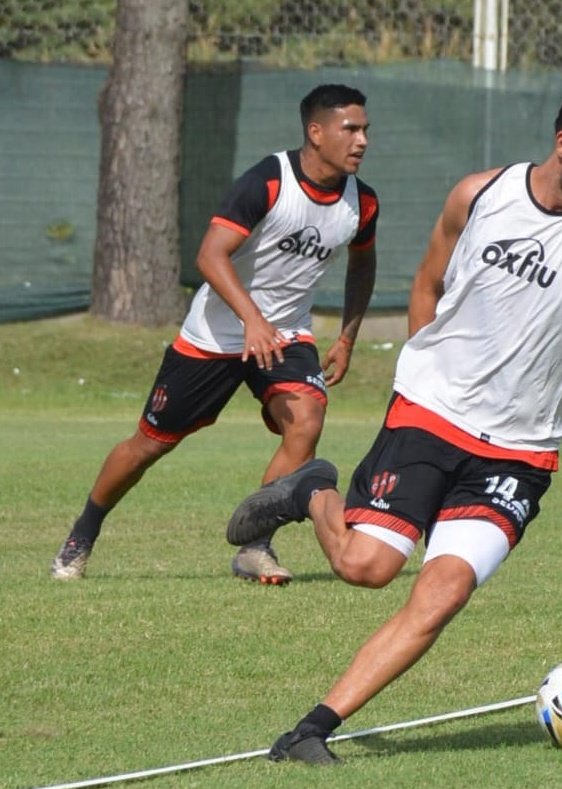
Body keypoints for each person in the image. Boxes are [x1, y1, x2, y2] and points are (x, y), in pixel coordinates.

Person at [226, 81, 562, 764]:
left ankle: (309, 732)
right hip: (431, 415)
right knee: (366, 568)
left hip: (518, 452)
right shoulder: (478, 194)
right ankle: (311, 489)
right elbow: (427, 282)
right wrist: (430, 377)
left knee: (442, 592)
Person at [51, 84, 379, 585]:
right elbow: (210, 255)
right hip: (214, 336)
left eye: (365, 130)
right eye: (350, 129)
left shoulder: (363, 203)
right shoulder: (269, 182)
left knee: (306, 421)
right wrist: (251, 319)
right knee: (149, 444)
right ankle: (83, 532)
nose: (361, 141)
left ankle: (255, 546)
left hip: (286, 336)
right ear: (316, 132)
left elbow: (363, 262)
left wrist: (348, 336)